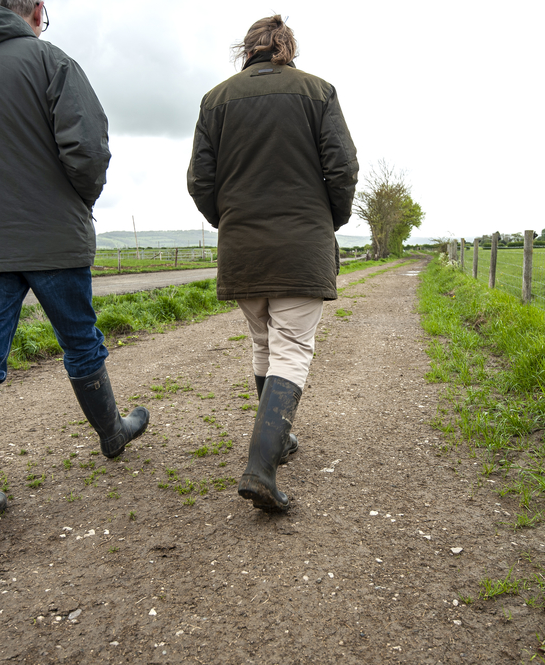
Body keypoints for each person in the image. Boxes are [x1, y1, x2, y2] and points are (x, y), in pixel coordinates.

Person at [0, 0, 149, 539]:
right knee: (81, 343)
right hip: (55, 238)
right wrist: (74, 201)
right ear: (36, 10)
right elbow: (88, 146)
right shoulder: (49, 61)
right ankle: (112, 433)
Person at [187, 15, 358, 511]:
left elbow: (201, 180)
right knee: (291, 349)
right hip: (301, 243)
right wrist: (330, 220)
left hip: (242, 245)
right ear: (287, 47)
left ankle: (278, 442)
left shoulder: (215, 99)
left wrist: (231, 220)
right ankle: (260, 468)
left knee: (264, 341)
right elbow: (342, 166)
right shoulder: (318, 92)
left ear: (248, 49)